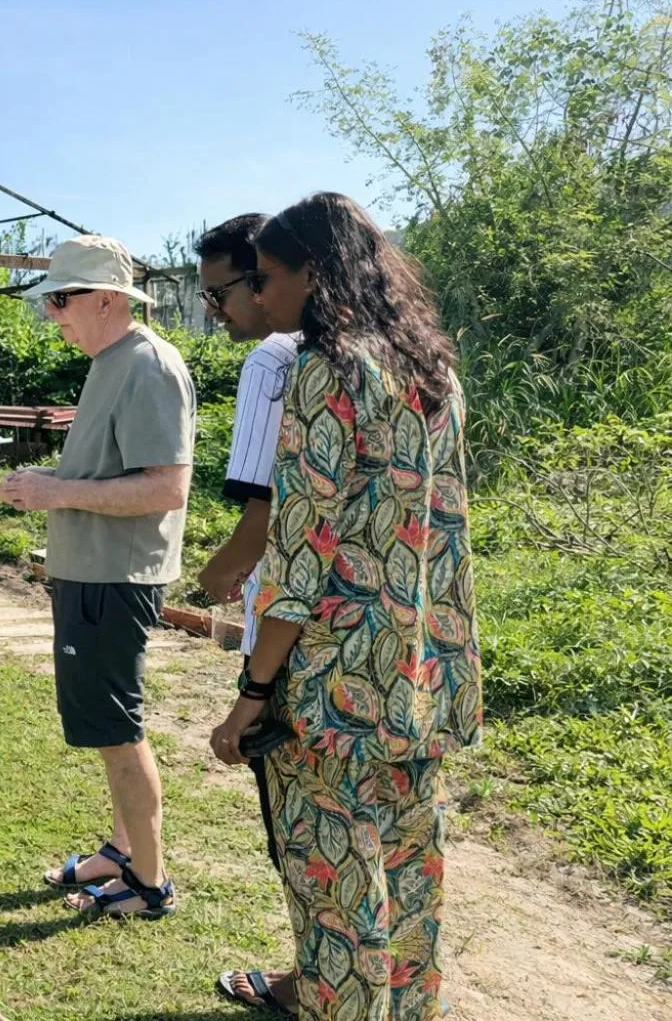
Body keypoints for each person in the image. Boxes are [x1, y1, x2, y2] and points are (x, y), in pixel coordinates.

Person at [210, 192, 482, 1021]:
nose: (259, 296)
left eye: (266, 276)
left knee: (337, 900)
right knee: (408, 880)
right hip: (420, 673)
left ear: (313, 274)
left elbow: (298, 559)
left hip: (333, 691)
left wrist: (251, 697)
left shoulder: (327, 371)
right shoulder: (432, 372)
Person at [0, 235, 195, 919]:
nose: (54, 314)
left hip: (115, 580)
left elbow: (166, 487)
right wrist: (54, 485)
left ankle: (149, 881)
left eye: (61, 298)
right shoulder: (112, 361)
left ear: (108, 299)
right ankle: (122, 852)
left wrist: (53, 492)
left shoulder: (148, 366)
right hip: (91, 576)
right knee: (106, 728)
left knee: (118, 730)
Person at [194, 213, 301, 881]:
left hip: (288, 615)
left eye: (221, 293)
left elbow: (265, 510)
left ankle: (304, 978)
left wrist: (216, 574)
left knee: (288, 806)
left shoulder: (272, 360)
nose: (215, 311)